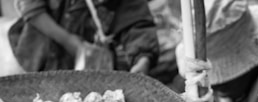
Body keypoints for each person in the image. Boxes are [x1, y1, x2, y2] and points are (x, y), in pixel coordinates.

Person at [9, 0, 159, 74]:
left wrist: (142, 59)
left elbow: (135, 18)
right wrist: (70, 42)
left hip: (95, 62)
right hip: (44, 53)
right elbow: (32, 9)